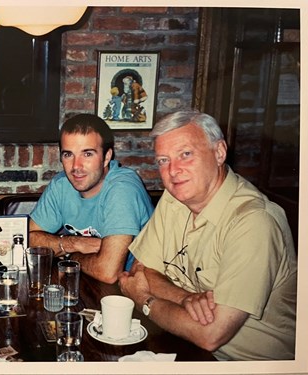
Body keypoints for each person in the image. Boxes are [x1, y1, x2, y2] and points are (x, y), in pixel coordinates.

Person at [118, 110, 297, 360]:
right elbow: (141, 270)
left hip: (248, 364)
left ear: (219, 152)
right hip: (182, 343)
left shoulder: (254, 222)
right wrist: (184, 298)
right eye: (163, 160)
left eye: (186, 154)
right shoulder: (175, 197)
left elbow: (210, 335)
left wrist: (144, 300)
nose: (173, 170)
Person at [29, 113, 154, 284]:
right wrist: (75, 243)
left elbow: (108, 272)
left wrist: (70, 256)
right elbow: (29, 239)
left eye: (87, 154)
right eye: (68, 155)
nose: (76, 166)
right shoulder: (61, 185)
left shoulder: (123, 189)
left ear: (107, 157)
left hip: (136, 286)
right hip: (88, 282)